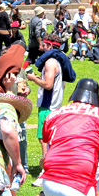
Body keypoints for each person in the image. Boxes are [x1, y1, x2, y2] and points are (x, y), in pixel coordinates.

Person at [26, 34, 68, 187]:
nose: (41, 47)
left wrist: (33, 78)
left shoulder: (50, 62)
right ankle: (53, 169)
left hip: (47, 106)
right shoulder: (59, 60)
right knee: (48, 139)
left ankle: (46, 172)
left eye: (44, 44)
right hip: (54, 105)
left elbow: (48, 85)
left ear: (50, 46)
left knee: (44, 139)